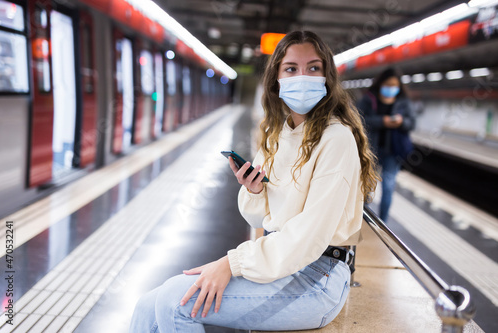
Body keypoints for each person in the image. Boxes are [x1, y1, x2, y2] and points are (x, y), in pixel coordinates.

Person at [129, 30, 379, 332]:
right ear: (276, 79)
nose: (303, 77)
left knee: (175, 302)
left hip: (318, 277)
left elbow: (309, 237)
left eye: (314, 68)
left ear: (327, 76)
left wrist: (231, 263)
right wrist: (257, 190)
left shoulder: (336, 138)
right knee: (147, 305)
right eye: (291, 69)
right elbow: (259, 217)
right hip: (283, 260)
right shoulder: (277, 135)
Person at [356, 68, 416, 222]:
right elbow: (358, 120)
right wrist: (382, 121)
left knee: (388, 187)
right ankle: (362, 218)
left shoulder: (403, 102)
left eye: (394, 85)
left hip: (393, 150)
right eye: (388, 84)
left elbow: (412, 123)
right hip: (370, 150)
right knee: (366, 186)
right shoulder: (368, 99)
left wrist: (402, 122)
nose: (391, 88)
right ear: (380, 83)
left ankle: (383, 222)